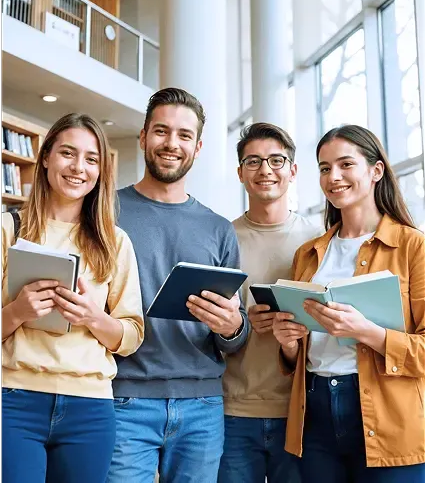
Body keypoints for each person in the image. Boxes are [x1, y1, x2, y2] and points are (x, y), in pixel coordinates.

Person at [107, 87, 249, 483]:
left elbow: (238, 337)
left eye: (184, 135)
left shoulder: (219, 229)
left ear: (198, 146)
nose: (172, 143)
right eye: (161, 131)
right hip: (122, 397)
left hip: (202, 405)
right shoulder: (104, 212)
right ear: (143, 137)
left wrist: (231, 327)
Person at [273, 124, 425, 482]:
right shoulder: (307, 254)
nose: (333, 177)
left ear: (375, 171)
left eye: (345, 165)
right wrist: (289, 344)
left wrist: (369, 333)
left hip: (389, 419)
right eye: (325, 168)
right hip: (315, 414)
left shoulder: (412, 247)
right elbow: (302, 354)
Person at [1, 113, 144, 483]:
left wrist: (93, 317)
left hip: (90, 408)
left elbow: (130, 338)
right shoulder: (7, 229)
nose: (78, 167)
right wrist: (17, 311)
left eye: (91, 159)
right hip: (14, 400)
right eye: (68, 153)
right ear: (46, 157)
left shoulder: (115, 241)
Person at [218, 123, 321, 483]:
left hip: (301, 412)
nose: (265, 170)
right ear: (240, 172)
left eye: (277, 160)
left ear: (293, 170)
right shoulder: (220, 237)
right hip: (232, 410)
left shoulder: (318, 240)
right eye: (253, 161)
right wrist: (240, 324)